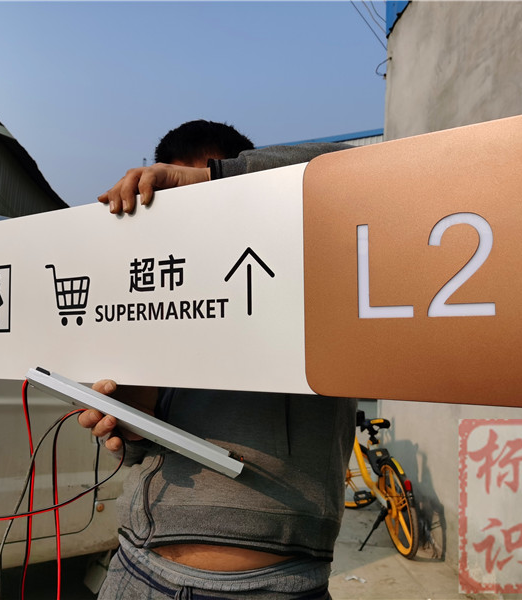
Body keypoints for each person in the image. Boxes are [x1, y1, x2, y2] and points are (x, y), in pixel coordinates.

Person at [79, 120, 356, 599]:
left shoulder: (316, 263)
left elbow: (361, 167)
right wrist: (132, 421)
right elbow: (140, 453)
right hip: (134, 568)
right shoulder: (162, 296)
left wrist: (216, 179)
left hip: (267, 586)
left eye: (194, 188)